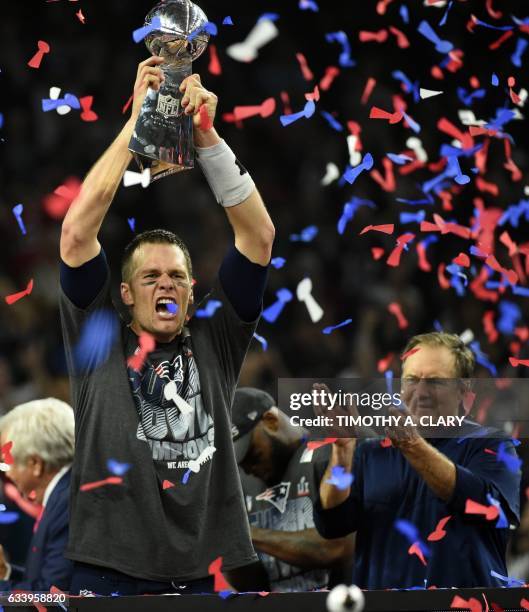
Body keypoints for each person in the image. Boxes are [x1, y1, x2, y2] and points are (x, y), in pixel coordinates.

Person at [59, 57, 274, 596]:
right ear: (125, 295)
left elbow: (258, 239)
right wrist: (138, 127)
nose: (166, 286)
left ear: (192, 291)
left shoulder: (214, 339)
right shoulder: (99, 337)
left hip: (207, 571)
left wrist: (207, 139)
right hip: (109, 568)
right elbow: (77, 236)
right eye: (150, 277)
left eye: (177, 277)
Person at [313, 332, 521, 589]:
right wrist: (342, 452)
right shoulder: (369, 453)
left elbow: (489, 508)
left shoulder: (493, 445)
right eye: (412, 379)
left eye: (435, 381)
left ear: (463, 391)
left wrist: (414, 447)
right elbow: (331, 524)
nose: (421, 392)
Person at [233, 387, 354, 592]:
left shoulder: (332, 454)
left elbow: (338, 547)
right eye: (239, 461)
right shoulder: (244, 486)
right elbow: (251, 587)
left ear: (271, 421)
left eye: (251, 453)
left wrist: (246, 534)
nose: (246, 467)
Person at [0, 398, 74, 591]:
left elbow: (52, 596)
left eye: (8, 461)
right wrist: (5, 573)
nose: (7, 473)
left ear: (35, 464)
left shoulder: (68, 503)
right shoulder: (63, 495)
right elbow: (45, 581)